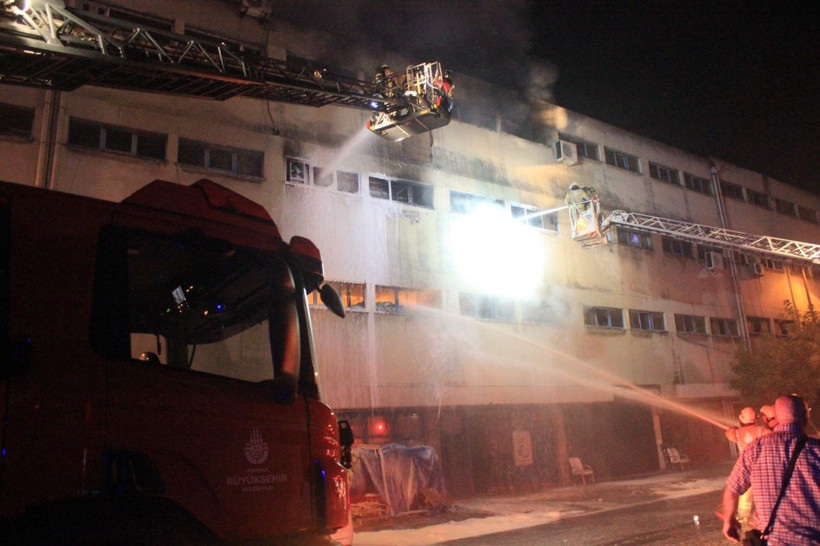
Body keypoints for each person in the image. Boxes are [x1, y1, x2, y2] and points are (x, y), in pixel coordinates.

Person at [722, 394, 820, 545]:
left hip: (772, 541)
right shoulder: (817, 449)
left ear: (777, 417)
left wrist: (728, 521)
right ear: (806, 415)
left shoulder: (755, 447)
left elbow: (732, 491)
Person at [724, 406, 771, 523]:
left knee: (745, 494)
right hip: (763, 467)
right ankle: (765, 515)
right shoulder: (762, 430)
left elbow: (728, 434)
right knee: (764, 493)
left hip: (746, 468)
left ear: (741, 418)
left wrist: (731, 430)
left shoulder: (736, 433)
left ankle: (743, 517)